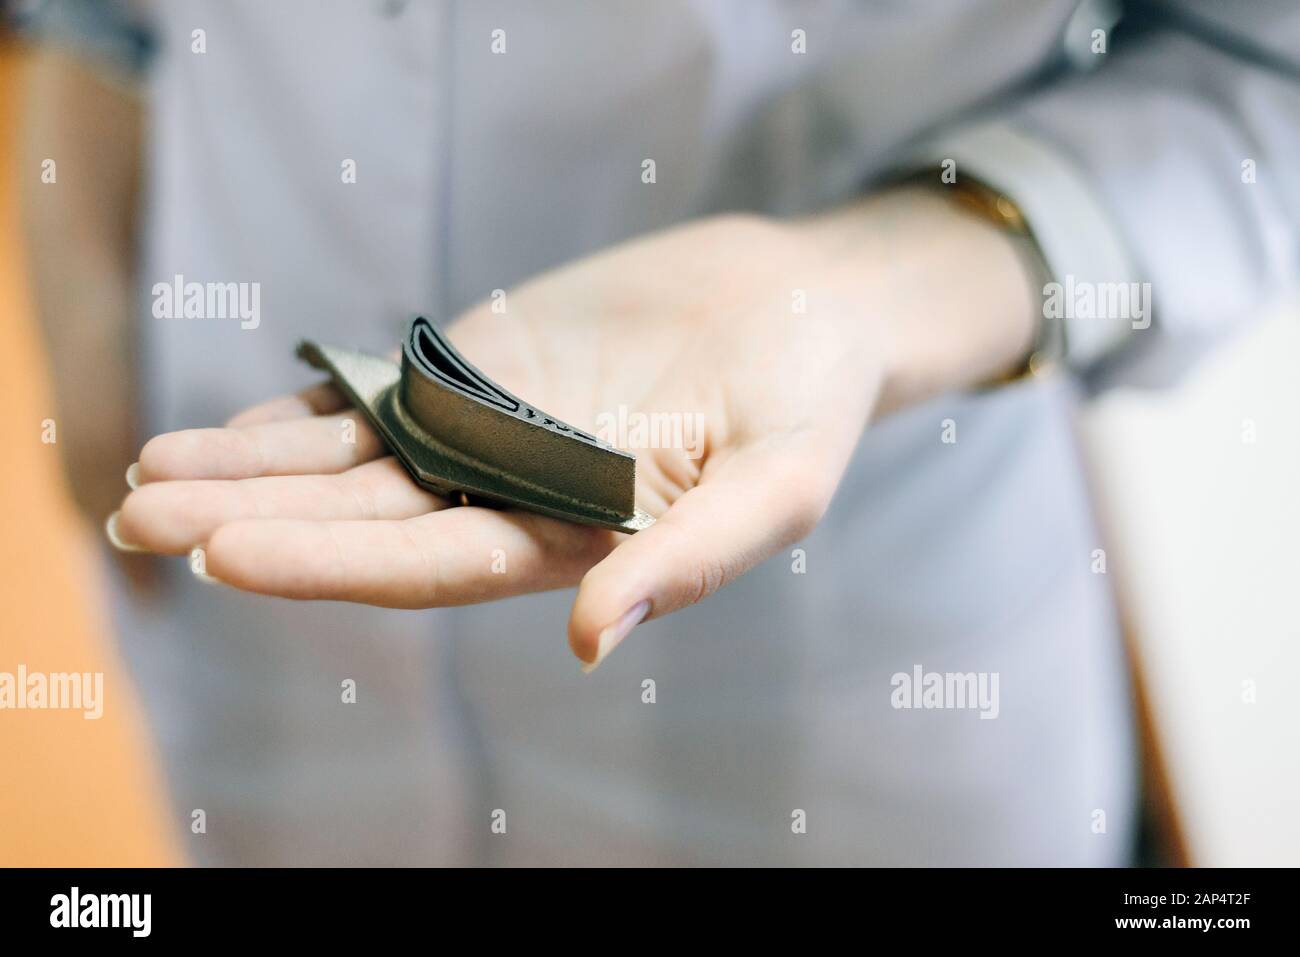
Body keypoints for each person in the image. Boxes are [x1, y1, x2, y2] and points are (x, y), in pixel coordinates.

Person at [19, 0, 1298, 865]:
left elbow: (1259, 66)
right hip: (257, 541)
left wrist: (862, 283)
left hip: (842, 662)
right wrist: (82, 226)